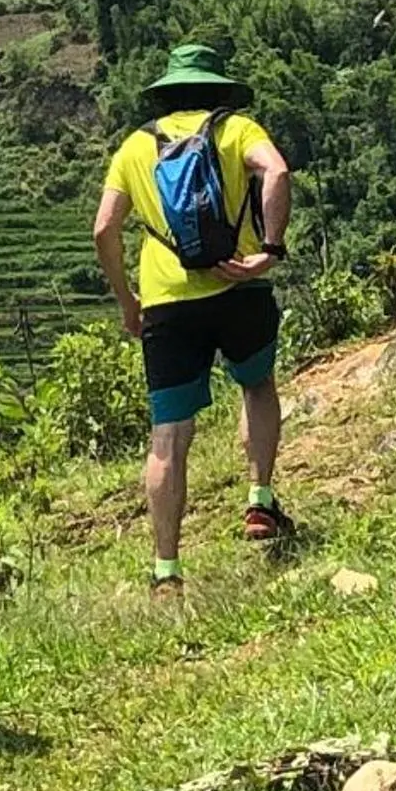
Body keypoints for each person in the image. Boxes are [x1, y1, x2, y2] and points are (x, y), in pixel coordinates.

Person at [92, 44, 294, 600]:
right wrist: (269, 250)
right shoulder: (236, 130)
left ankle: (166, 569)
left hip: (166, 302)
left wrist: (127, 300)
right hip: (239, 286)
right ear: (216, 91)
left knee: (169, 435)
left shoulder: (136, 146)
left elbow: (103, 230)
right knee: (256, 385)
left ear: (166, 94)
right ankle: (259, 501)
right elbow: (276, 171)